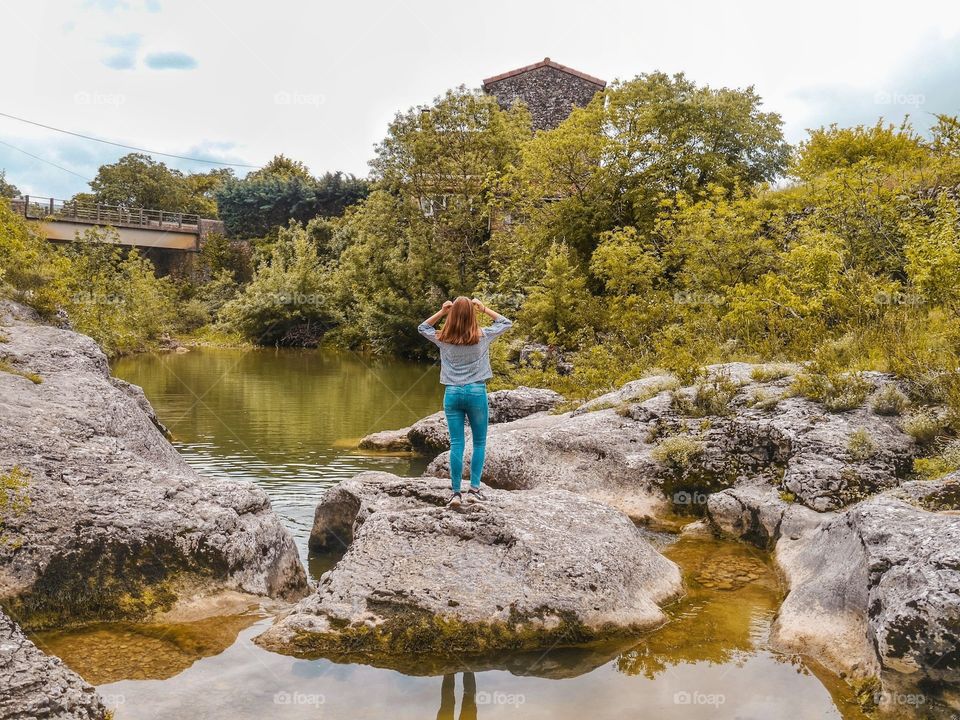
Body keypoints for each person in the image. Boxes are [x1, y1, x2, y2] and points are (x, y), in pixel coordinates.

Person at [418, 296, 513, 507]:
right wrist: (484, 308)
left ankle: (456, 494)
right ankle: (474, 490)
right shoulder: (483, 335)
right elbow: (506, 322)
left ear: (452, 315)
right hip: (476, 392)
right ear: (472, 314)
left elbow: (423, 327)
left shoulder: (442, 337)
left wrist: (442, 311)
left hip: (452, 393)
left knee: (456, 444)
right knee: (479, 442)